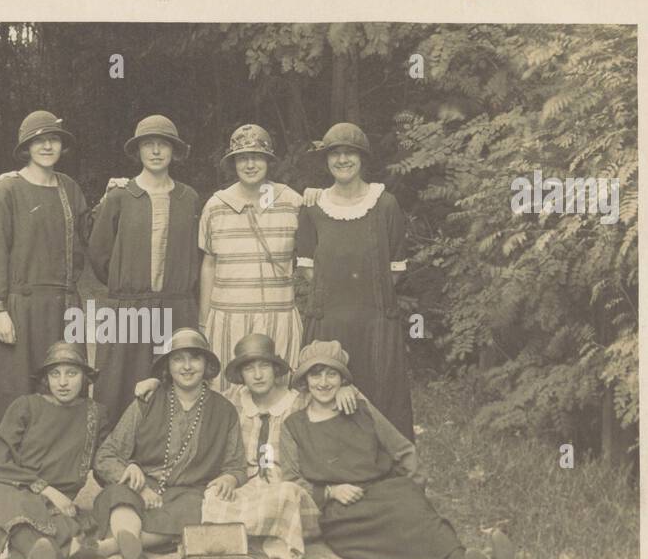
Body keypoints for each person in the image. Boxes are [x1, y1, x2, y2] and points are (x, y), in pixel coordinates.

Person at [278, 340, 517, 559]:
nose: (323, 382)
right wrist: (329, 492)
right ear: (305, 380)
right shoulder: (293, 426)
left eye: (331, 373)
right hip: (345, 512)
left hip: (387, 490)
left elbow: (403, 449)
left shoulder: (361, 410)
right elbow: (291, 480)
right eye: (316, 374)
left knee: (420, 517)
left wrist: (415, 493)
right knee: (397, 550)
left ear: (342, 379)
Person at [89, 328, 247, 559]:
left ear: (206, 365)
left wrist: (230, 477)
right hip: (142, 485)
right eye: (177, 359)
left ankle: (112, 546)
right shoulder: (147, 401)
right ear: (167, 366)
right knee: (119, 495)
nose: (186, 367)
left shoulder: (224, 410)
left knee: (202, 510)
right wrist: (135, 479)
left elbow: (235, 464)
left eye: (194, 358)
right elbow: (106, 455)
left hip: (189, 492)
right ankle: (130, 544)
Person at [296, 122, 415, 438]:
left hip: (374, 322)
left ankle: (386, 471)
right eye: (335, 154)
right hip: (328, 323)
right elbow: (308, 269)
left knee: (380, 399)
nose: (342, 160)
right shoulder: (313, 207)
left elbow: (396, 268)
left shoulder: (385, 204)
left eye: (350, 153)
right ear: (326, 161)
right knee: (324, 397)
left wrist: (369, 300)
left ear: (362, 158)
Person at [0, 342, 107, 559]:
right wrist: (45, 489)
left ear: (85, 378)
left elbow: (107, 457)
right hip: (15, 488)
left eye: (71, 374)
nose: (62, 382)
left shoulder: (94, 414)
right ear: (45, 378)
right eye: (54, 374)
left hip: (56, 505)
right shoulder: (26, 406)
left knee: (61, 526)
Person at [198, 332, 354, 559]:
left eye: (264, 367)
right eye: (250, 369)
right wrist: (156, 383)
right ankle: (262, 538)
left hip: (290, 484)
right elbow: (191, 394)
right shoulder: (232, 400)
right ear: (241, 374)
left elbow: (326, 391)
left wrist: (347, 387)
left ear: (275, 369)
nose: (258, 375)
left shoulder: (299, 401)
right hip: (247, 486)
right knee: (213, 496)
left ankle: (240, 538)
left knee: (285, 496)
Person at [87, 116, 202, 426]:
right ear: (137, 151)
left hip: (176, 306)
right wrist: (128, 283)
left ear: (173, 151)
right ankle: (110, 454)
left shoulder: (188, 198)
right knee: (119, 386)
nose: (155, 152)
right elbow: (99, 255)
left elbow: (196, 254)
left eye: (162, 145)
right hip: (128, 306)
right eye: (148, 145)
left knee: (175, 382)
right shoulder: (121, 196)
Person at [0, 110, 89, 428]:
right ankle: (11, 468)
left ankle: (58, 468)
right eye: (39, 141)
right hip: (20, 304)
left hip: (64, 305)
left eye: (53, 139)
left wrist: (116, 197)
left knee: (64, 386)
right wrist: (0, 308)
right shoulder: (8, 188)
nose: (47, 147)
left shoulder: (69, 188)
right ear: (27, 147)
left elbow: (90, 239)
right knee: (16, 391)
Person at [198, 125, 306, 391]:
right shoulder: (216, 205)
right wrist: (204, 319)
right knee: (227, 390)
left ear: (269, 161)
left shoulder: (292, 201)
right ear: (233, 162)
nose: (250, 164)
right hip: (228, 316)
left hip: (278, 315)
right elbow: (209, 264)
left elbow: (309, 259)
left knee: (281, 390)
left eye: (257, 157)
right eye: (242, 157)